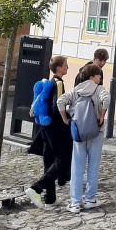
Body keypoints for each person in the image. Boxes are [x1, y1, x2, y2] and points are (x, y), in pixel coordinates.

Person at [57, 63, 110, 213]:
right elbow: (106, 99)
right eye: (98, 75)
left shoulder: (76, 90)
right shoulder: (99, 89)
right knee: (93, 166)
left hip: (79, 133)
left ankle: (75, 202)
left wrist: (65, 119)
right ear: (92, 77)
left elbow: (60, 101)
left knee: (77, 166)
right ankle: (90, 199)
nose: (100, 77)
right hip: (96, 132)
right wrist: (102, 115)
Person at [25, 55, 73, 210]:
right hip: (54, 127)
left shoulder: (50, 82)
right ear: (58, 68)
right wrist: (65, 119)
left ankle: (50, 198)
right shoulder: (58, 83)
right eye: (65, 65)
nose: (67, 67)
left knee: (49, 160)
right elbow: (57, 105)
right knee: (62, 159)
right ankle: (36, 188)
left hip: (44, 127)